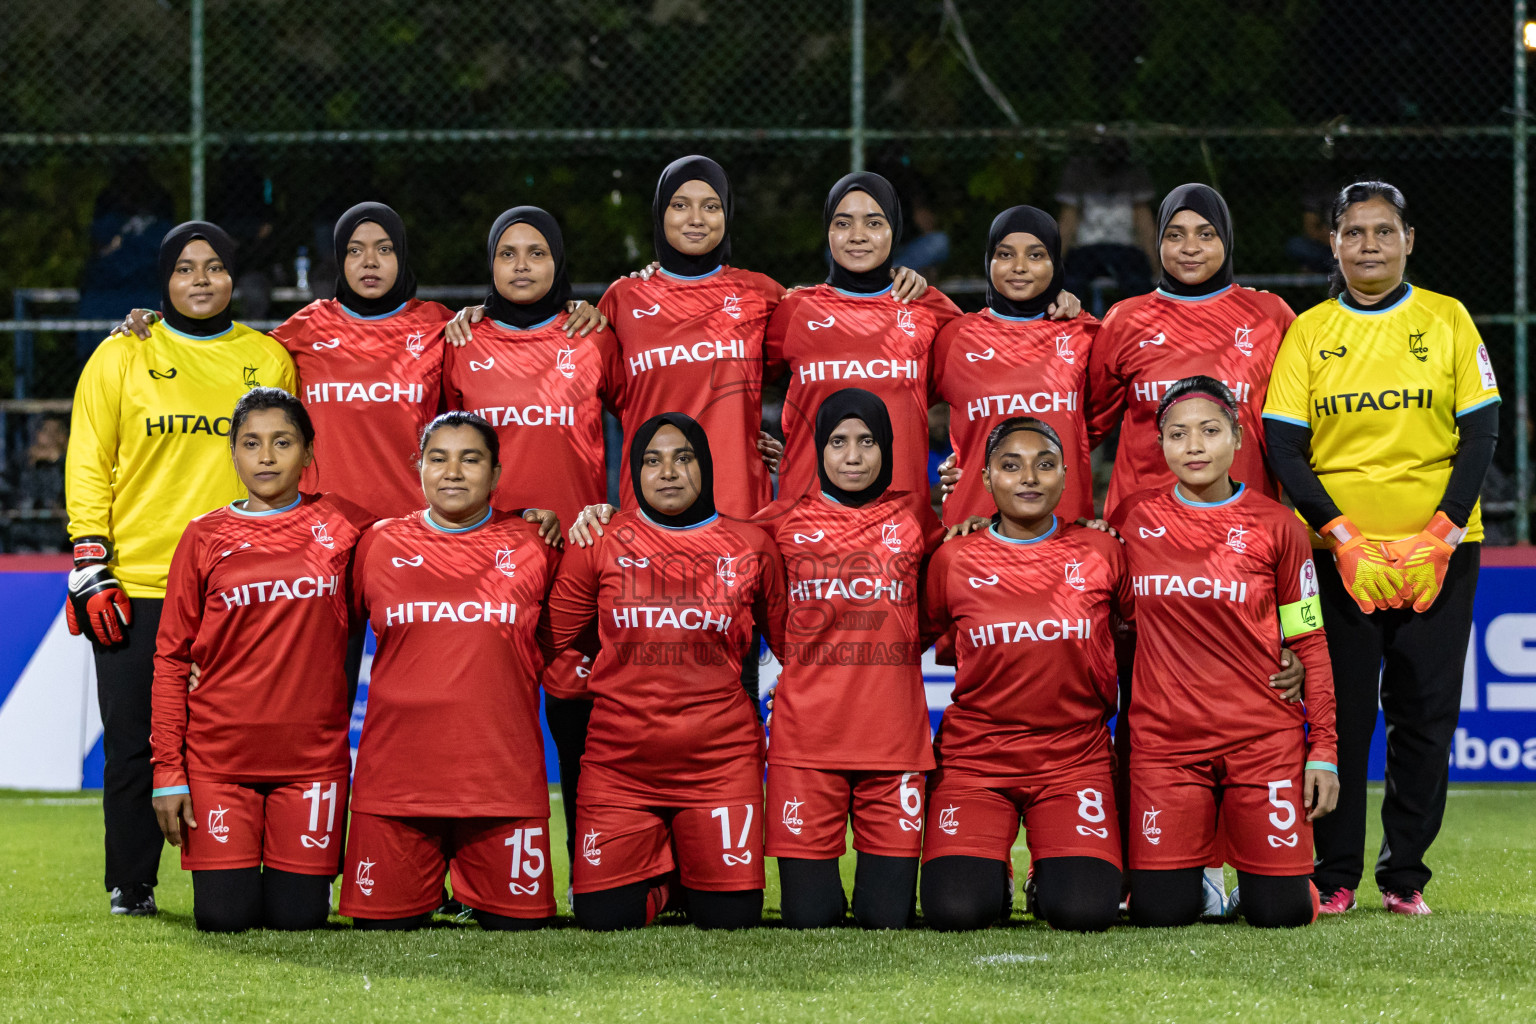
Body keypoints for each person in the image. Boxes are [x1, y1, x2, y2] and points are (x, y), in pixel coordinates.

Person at [1262, 181, 1500, 916]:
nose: (1369, 244)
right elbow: (1284, 446)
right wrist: (1338, 537)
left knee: (1425, 716)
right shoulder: (1309, 331)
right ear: (1333, 244)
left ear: (1409, 241)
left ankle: (1405, 878)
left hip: (1441, 554)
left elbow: (1481, 433)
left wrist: (1439, 533)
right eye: (1354, 232)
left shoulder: (1448, 318)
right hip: (1337, 559)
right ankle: (1334, 877)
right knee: (1343, 715)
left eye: (1383, 231)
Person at [65, 221, 297, 916]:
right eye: (185, 268)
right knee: (133, 743)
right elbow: (89, 459)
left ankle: (238, 869)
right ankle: (131, 883)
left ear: (234, 276)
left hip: (240, 586)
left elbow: (283, 465)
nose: (201, 279)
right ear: (164, 281)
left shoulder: (268, 359)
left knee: (235, 741)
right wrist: (89, 559)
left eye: (215, 266)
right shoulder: (122, 354)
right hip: (138, 582)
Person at [110, 201, 607, 520]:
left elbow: (508, 333)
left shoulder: (442, 326)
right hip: (321, 530)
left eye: (384, 249)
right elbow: (227, 351)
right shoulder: (304, 329)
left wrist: (571, 310)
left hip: (414, 528)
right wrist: (163, 325)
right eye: (355, 250)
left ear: (403, 256)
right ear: (339, 261)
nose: (370, 262)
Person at [539, 413, 788, 931]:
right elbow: (549, 637)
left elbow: (793, 644)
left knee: (730, 920)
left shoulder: (751, 545)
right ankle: (670, 871)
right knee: (603, 920)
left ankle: (688, 870)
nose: (668, 472)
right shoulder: (600, 539)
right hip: (620, 766)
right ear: (634, 470)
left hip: (720, 763)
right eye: (652, 460)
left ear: (707, 465)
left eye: (683, 458)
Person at [1111, 376, 1339, 929]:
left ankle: (1270, 879)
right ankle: (1204, 878)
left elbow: (1307, 636)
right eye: (1177, 434)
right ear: (1159, 443)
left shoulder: (1278, 526)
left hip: (1261, 737)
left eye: (1210, 431)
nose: (1194, 446)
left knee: (1281, 913)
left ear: (1238, 437)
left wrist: (1324, 749)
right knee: (1162, 913)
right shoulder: (1133, 520)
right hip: (1166, 743)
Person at [442, 205, 626, 874]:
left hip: (577, 566)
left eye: (537, 253)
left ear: (558, 264)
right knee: (479, 726)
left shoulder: (594, 339)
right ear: (490, 265)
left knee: (582, 729)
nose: (523, 266)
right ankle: (474, 875)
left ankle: (594, 870)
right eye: (508, 254)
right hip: (483, 566)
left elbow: (657, 415)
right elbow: (429, 442)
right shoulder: (458, 342)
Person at [150, 388, 373, 931]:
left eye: (282, 443)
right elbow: (172, 657)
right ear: (233, 453)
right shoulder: (203, 536)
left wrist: (522, 520)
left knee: (299, 921)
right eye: (251, 443)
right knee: (225, 918)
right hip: (219, 761)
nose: (267, 457)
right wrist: (167, 773)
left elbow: (437, 537)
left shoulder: (349, 527)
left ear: (309, 451)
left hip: (312, 762)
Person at [339, 412, 562, 931]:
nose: (453, 472)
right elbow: (321, 633)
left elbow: (574, 631)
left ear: (497, 472)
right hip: (395, 787)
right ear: (418, 468)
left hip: (501, 787)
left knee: (518, 931)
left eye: (471, 459)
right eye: (438, 459)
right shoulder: (377, 543)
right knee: (382, 931)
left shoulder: (536, 544)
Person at [921, 418, 1128, 932]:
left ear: (1064, 476)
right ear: (987, 479)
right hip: (976, 758)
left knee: (1082, 913)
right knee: (956, 912)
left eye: (1045, 465)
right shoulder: (953, 557)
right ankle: (996, 873)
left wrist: (1279, 650)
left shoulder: (1102, 551)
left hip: (1074, 757)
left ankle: (1043, 878)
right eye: (1010, 466)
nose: (1029, 477)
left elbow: (1148, 637)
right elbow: (912, 643)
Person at [753, 388, 943, 929]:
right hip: (806, 743)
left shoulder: (916, 519)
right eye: (838, 442)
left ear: (886, 448)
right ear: (818, 448)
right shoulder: (779, 521)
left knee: (888, 919)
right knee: (808, 919)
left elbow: (937, 602)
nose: (853, 456)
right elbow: (762, 601)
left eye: (866, 442)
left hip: (895, 743)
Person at [1087, 183, 1296, 517]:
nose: (1190, 248)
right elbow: (1084, 425)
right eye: (1175, 235)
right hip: (1144, 524)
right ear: (1158, 242)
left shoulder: (1269, 315)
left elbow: (1302, 421)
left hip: (1244, 523)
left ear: (1226, 239)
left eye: (1205, 234)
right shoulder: (1126, 320)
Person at [765, 173, 962, 500]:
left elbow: (987, 379)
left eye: (873, 223)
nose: (857, 235)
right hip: (808, 517)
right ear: (827, 232)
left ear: (895, 230)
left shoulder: (928, 308)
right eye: (843, 224)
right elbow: (733, 381)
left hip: (900, 520)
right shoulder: (796, 309)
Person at [932, 206, 1099, 526]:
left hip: (1065, 529)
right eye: (1005, 254)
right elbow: (902, 402)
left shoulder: (1084, 333)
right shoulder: (955, 337)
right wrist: (956, 456)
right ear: (988, 261)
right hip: (975, 527)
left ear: (1055, 263)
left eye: (1036, 256)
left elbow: (1097, 419)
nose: (1019, 267)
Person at [1056, 139, 1157, 303]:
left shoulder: (1134, 172)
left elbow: (1143, 221)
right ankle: (1067, 326)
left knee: (1138, 282)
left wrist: (1155, 265)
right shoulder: (1078, 172)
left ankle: (1143, 324)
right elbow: (1068, 221)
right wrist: (1056, 263)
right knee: (1071, 283)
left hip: (1125, 248)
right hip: (1086, 248)